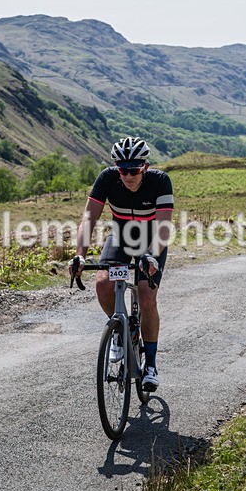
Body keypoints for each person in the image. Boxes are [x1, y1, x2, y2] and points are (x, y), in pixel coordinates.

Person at [69, 137, 173, 392]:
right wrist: (80, 255)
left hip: (152, 241)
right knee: (104, 284)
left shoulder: (160, 182)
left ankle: (150, 364)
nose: (127, 175)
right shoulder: (107, 178)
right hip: (122, 238)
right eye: (122, 169)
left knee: (147, 296)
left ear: (145, 167)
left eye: (134, 169)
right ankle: (119, 330)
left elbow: (163, 228)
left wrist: (150, 255)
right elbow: (88, 219)